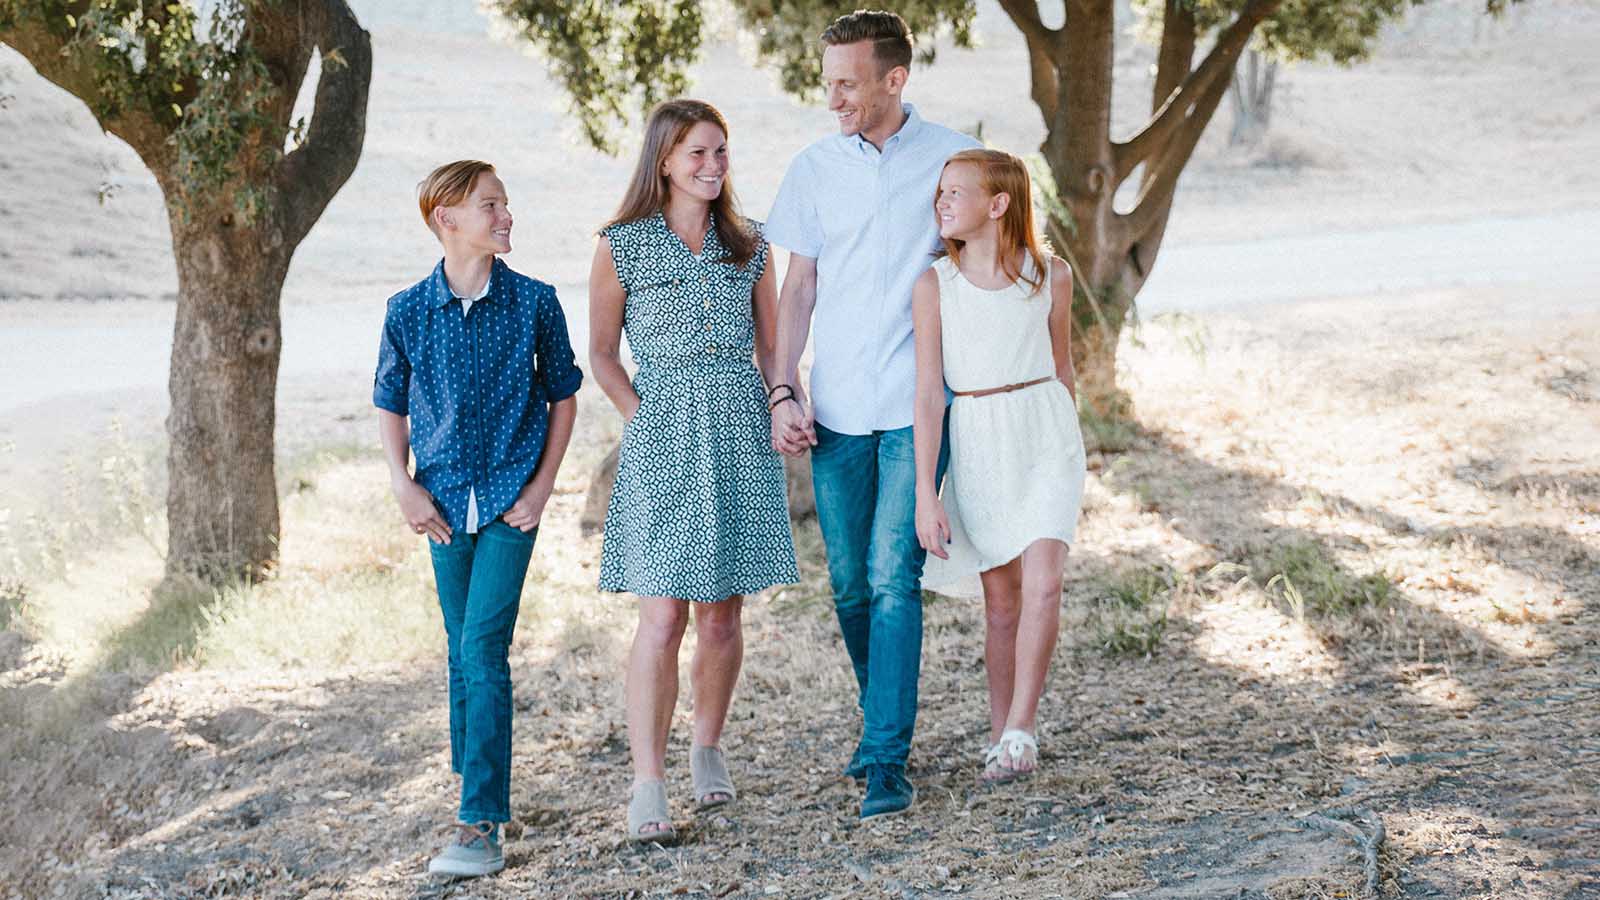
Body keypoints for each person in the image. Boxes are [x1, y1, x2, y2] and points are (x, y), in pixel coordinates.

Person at [765, 10, 980, 820]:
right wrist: (784, 388)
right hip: (839, 409)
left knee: (895, 578)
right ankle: (879, 721)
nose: (834, 100)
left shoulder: (952, 160)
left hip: (920, 405)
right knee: (850, 586)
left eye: (848, 84)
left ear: (896, 79)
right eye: (828, 84)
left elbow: (986, 260)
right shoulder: (814, 168)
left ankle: (886, 757)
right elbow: (799, 288)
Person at [589, 99, 799, 843]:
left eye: (721, 153)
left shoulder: (750, 246)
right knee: (662, 615)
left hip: (739, 424)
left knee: (722, 613)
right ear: (665, 161)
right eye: (696, 155)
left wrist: (783, 399)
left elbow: (776, 347)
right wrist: (639, 415)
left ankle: (706, 745)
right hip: (663, 429)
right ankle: (648, 782)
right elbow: (604, 354)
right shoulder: (623, 245)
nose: (712, 167)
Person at [373, 160, 582, 877]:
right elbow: (389, 402)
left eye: (506, 204)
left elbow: (563, 397)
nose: (506, 216)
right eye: (491, 206)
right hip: (439, 504)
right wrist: (402, 486)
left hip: (508, 504)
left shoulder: (535, 303)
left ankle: (480, 822)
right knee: (461, 647)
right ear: (447, 220)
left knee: (483, 647)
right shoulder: (406, 311)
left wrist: (543, 488)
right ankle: (476, 780)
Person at [912, 148, 1087, 783]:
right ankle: (999, 731)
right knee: (1003, 602)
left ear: (998, 204)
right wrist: (926, 495)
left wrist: (1071, 442)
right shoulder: (936, 286)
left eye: (956, 192)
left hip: (1044, 435)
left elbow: (1062, 367)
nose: (943, 203)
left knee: (1044, 582)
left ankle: (1021, 730)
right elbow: (929, 395)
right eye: (940, 192)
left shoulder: (1051, 276)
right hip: (981, 438)